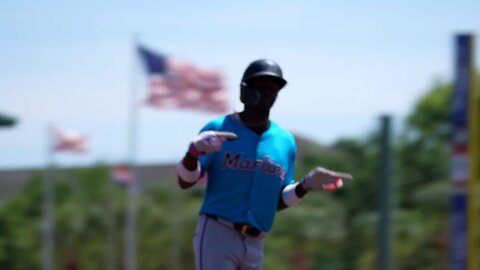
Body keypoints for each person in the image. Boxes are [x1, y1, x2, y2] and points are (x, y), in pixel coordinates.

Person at [176, 59, 353, 270]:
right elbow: (186, 182)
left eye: (274, 89)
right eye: (262, 87)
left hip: (256, 241)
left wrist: (304, 186)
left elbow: (276, 201)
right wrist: (192, 153)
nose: (269, 93)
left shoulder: (284, 141)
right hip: (218, 233)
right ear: (246, 91)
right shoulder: (219, 128)